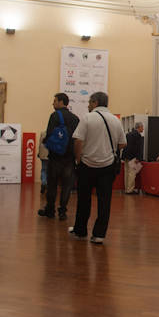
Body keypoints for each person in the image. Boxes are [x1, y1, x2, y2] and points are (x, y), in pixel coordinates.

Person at [70, 92, 126, 244]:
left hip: (87, 165)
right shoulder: (115, 120)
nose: (88, 105)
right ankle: (99, 234)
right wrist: (108, 149)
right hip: (107, 167)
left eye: (89, 102)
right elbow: (122, 144)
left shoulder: (87, 118)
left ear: (95, 102)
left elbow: (78, 141)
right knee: (104, 201)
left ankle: (80, 230)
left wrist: (78, 159)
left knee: (84, 199)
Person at [39, 93, 79, 221]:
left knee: (52, 184)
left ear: (61, 102)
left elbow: (49, 134)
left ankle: (50, 210)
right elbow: (78, 138)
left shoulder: (55, 116)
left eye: (55, 101)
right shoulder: (75, 118)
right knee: (67, 185)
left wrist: (46, 142)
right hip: (69, 158)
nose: (53, 103)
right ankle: (62, 211)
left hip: (56, 156)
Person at [124, 122, 144, 194]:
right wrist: (138, 158)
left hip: (126, 155)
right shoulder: (138, 135)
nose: (143, 129)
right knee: (132, 173)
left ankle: (126, 188)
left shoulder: (128, 134)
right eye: (142, 127)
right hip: (133, 156)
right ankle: (130, 190)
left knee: (126, 173)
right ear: (139, 127)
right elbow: (138, 148)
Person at [37, 128, 49, 195]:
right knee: (50, 171)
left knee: (44, 169)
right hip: (50, 155)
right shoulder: (54, 133)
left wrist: (39, 153)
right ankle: (48, 185)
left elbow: (40, 144)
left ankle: (44, 183)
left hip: (43, 154)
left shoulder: (43, 133)